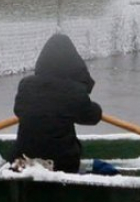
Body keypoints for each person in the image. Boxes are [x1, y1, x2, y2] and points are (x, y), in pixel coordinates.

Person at [14, 33, 103, 173]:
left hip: (23, 161)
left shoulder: (25, 85)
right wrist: (96, 108)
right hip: (62, 164)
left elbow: (18, 111)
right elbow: (92, 117)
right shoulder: (74, 90)